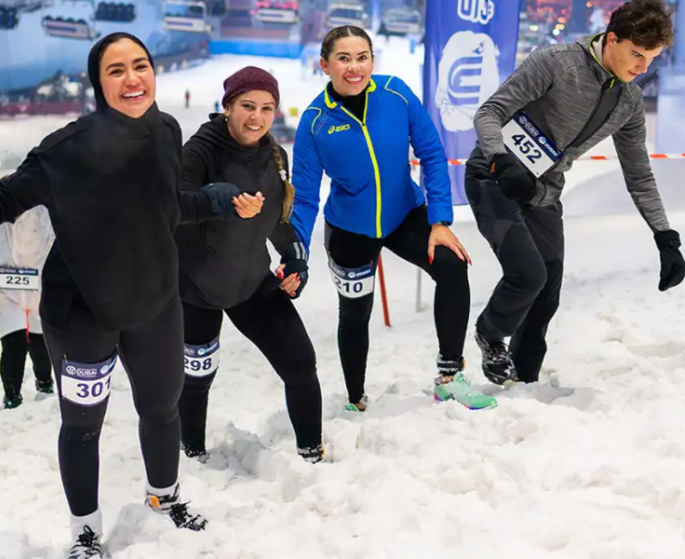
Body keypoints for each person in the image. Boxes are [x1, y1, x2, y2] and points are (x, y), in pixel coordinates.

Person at [0, 31, 264, 559]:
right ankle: (85, 532)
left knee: (162, 409)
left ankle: (164, 500)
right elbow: (2, 200)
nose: (132, 78)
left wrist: (214, 200)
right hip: (83, 311)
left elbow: (164, 209)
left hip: (154, 301)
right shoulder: (67, 149)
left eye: (139, 65)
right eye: (116, 70)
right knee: (81, 427)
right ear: (98, 82)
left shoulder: (167, 132)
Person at [465, 0, 685, 385]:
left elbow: (639, 174)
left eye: (651, 59)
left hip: (544, 191)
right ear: (611, 38)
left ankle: (525, 380)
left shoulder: (629, 102)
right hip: (493, 177)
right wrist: (501, 160)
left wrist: (664, 236)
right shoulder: (557, 61)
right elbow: (489, 113)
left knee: (547, 290)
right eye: (636, 54)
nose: (642, 68)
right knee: (527, 275)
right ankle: (490, 332)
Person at [291, 26, 494, 411]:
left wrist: (440, 221)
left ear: (372, 59)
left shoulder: (395, 93)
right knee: (355, 313)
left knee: (452, 266)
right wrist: (295, 251)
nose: (355, 68)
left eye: (362, 57)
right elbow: (303, 197)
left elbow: (432, 153)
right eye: (344, 58)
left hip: (406, 215)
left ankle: (450, 376)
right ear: (324, 65)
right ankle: (356, 399)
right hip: (350, 230)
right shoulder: (315, 122)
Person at [175, 66, 326, 463]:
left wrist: (295, 260)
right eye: (246, 106)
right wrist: (218, 198)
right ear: (227, 106)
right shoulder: (201, 149)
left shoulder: (275, 155)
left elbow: (278, 221)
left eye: (267, 108)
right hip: (196, 288)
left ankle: (311, 455)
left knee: (301, 364)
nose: (256, 117)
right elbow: (174, 204)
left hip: (250, 281)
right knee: (196, 381)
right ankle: (191, 456)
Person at [0, 201, 55, 409]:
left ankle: (45, 383)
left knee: (40, 343)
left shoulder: (46, 211)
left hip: (39, 287)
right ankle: (12, 397)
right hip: (3, 290)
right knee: (13, 345)